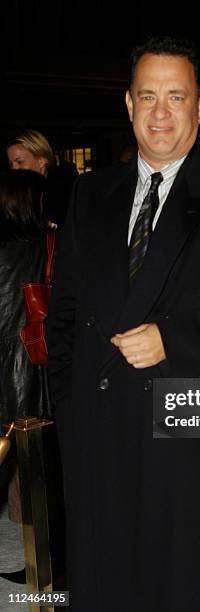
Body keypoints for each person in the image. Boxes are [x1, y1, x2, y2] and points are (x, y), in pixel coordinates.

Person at [46, 36, 200, 611]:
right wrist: (71, 408)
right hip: (101, 434)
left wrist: (171, 340)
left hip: (194, 436)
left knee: (189, 587)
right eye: (147, 96)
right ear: (127, 104)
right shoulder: (90, 191)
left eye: (175, 97)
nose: (160, 113)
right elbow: (66, 314)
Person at [0, 169, 54, 579]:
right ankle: (40, 569)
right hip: (27, 371)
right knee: (36, 470)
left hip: (12, 367)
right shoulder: (40, 245)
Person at [7, 130, 73, 228]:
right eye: (11, 164)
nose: (14, 169)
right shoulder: (19, 193)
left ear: (41, 161)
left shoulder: (62, 195)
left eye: (20, 162)